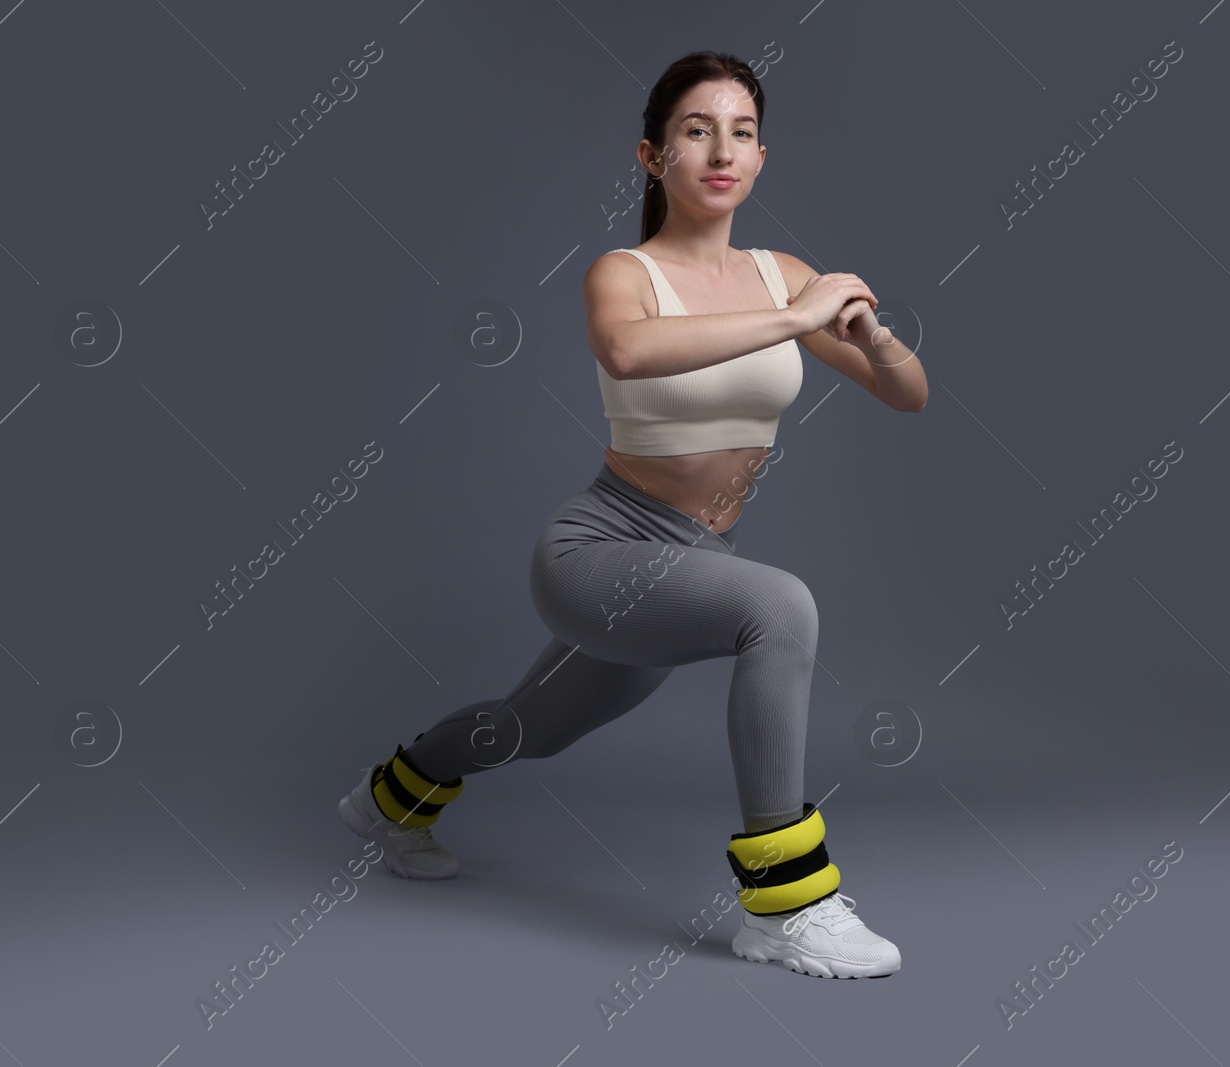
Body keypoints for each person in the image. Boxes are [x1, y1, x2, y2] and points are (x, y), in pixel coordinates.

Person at [337, 50, 927, 980]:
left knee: (529, 728)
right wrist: (794, 320)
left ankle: (391, 797)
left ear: (762, 158)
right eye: (697, 131)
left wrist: (870, 334)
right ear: (654, 156)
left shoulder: (786, 276)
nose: (720, 150)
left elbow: (910, 396)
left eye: (740, 132)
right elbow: (628, 350)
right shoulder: (625, 273)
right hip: (601, 550)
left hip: (696, 559)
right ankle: (784, 903)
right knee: (782, 608)